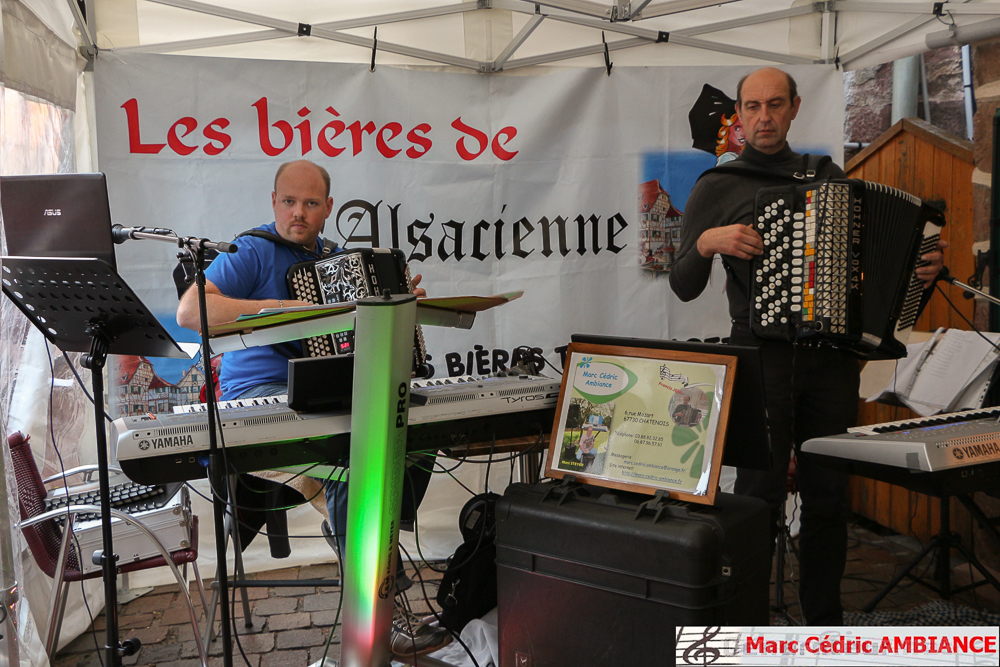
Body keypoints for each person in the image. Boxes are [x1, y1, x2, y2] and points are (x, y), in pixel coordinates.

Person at [668, 68, 946, 625]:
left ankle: (824, 623)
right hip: (760, 359)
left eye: (775, 104)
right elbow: (682, 283)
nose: (764, 117)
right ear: (739, 115)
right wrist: (706, 242)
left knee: (827, 499)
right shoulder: (717, 186)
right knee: (757, 500)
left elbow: (866, 271)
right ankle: (747, 627)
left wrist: (920, 271)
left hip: (830, 363)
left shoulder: (826, 176)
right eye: (752, 106)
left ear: (794, 108)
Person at [177, 159, 450, 656]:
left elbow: (357, 337)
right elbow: (191, 311)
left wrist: (400, 306)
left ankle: (369, 559)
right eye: (288, 201)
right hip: (256, 400)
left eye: (309, 203)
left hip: (321, 396)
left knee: (408, 430)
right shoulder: (253, 250)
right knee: (353, 465)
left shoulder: (336, 259)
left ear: (328, 208)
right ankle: (380, 616)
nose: (298, 212)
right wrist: (285, 308)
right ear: (273, 202)